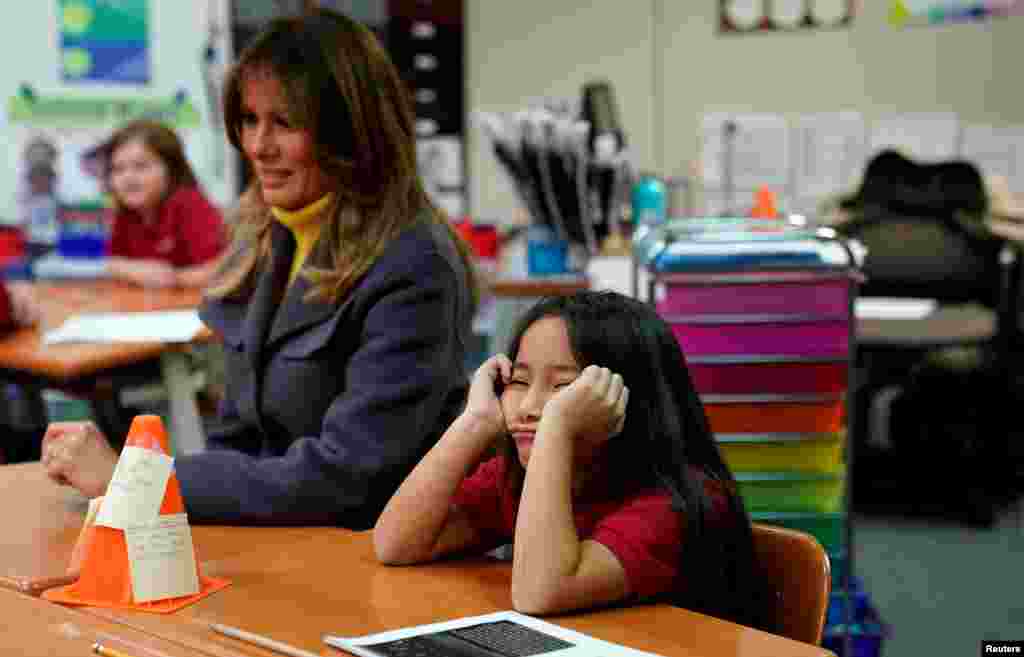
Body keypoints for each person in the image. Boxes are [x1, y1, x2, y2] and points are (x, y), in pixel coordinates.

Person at [39, 8, 477, 528]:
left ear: (350, 132)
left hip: (365, 560)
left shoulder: (414, 265)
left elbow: (350, 477)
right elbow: (238, 439)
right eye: (249, 120)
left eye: (284, 123)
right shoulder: (267, 238)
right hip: (274, 542)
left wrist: (136, 479)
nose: (258, 146)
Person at [374, 291, 765, 627]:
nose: (528, 406)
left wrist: (557, 429)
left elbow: (540, 594)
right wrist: (474, 423)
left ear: (625, 400)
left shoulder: (676, 503)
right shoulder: (518, 478)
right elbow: (396, 544)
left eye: (564, 387)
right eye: (519, 381)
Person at [103, 119, 226, 288]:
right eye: (117, 169)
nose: (127, 178)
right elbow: (112, 264)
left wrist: (174, 278)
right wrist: (138, 272)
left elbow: (223, 270)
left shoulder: (190, 204)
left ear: (171, 170)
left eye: (141, 166)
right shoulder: (126, 212)